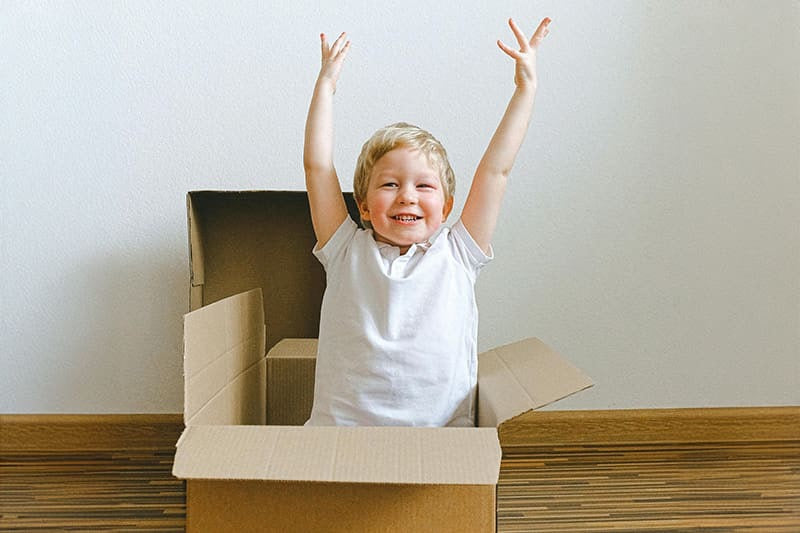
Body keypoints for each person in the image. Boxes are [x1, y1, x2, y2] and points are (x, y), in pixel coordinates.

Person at [303, 17, 551, 426]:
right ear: (363, 206)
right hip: (343, 436)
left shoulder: (458, 253)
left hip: (438, 441)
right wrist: (325, 87)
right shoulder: (345, 250)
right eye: (389, 184)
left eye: (424, 186)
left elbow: (495, 172)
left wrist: (526, 90)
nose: (407, 196)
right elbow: (316, 167)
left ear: (448, 206)